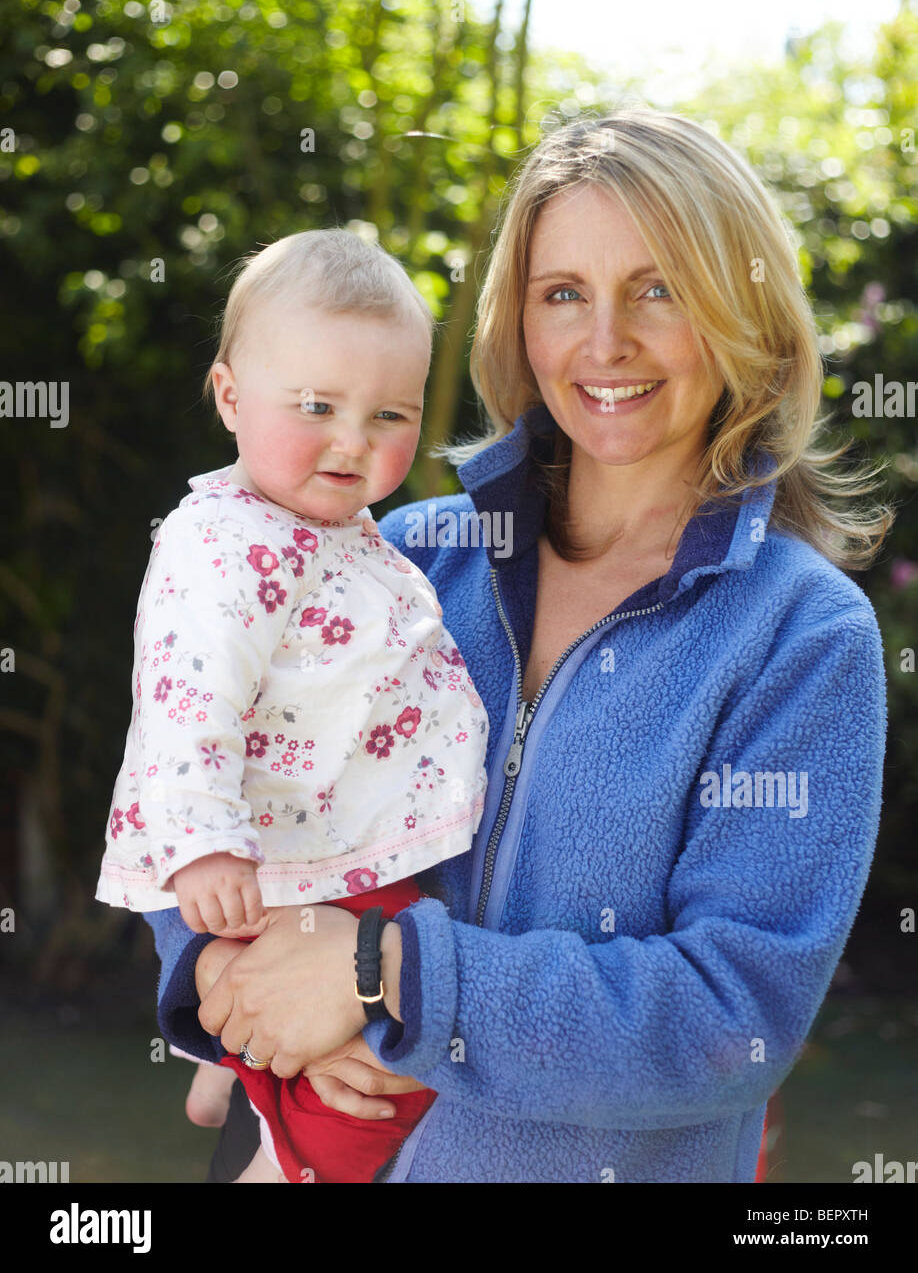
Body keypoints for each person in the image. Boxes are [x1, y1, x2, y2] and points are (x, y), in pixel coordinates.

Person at [148, 107, 890, 1183]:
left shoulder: (802, 635)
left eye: (660, 288)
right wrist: (223, 980)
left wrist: (390, 976)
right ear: (520, 322)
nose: (605, 344)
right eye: (564, 294)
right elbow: (203, 759)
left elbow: (734, 1014)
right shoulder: (393, 556)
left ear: (744, 310)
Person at [96, 228, 489, 1182]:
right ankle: (281, 1159)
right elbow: (188, 699)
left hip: (337, 844)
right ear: (231, 395)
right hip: (293, 859)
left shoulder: (342, 529)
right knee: (371, 1089)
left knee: (370, 1039)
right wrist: (203, 838)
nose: (353, 441)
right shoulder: (222, 543)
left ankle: (219, 1073)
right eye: (317, 406)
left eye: (390, 415)